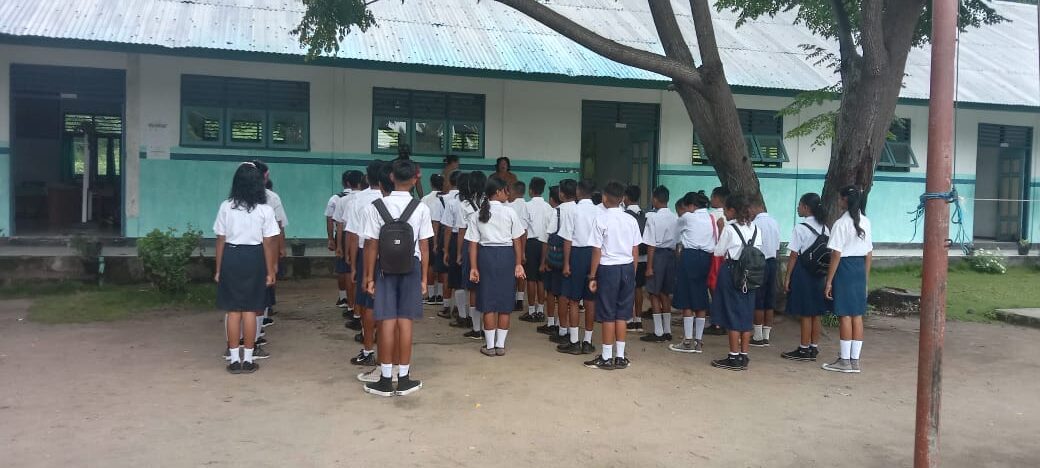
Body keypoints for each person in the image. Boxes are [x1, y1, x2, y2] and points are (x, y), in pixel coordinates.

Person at [360, 158, 432, 396]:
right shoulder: (421, 208)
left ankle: (385, 378)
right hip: (411, 268)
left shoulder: (376, 206)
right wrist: (424, 279)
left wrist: (369, 277)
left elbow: (371, 245)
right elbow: (424, 247)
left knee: (387, 321)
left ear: (391, 177)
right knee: (405, 322)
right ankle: (404, 378)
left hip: (384, 269)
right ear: (414, 179)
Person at [214, 162, 280, 374]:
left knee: (233, 311)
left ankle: (234, 360)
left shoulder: (226, 207)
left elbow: (220, 239)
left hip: (231, 256)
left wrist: (218, 269)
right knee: (251, 309)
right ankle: (249, 360)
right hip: (255, 257)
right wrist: (270, 270)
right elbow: (269, 243)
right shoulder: (265, 210)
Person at [583, 181, 642, 370]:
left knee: (608, 313)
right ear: (622, 198)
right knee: (622, 314)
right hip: (627, 268)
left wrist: (592, 276)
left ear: (604, 198)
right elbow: (635, 249)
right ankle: (620, 357)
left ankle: (607, 357)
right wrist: (632, 273)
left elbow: (596, 250)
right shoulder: (631, 220)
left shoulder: (601, 219)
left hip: (608, 269)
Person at [467, 177, 527, 356]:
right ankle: (500, 345)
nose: (508, 194)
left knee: (488, 302)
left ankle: (490, 346)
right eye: (506, 190)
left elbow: (473, 244)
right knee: (504, 302)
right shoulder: (510, 212)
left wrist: (473, 267)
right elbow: (517, 241)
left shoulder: (477, 214)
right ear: (498, 192)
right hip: (506, 257)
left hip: (486, 257)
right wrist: (518, 263)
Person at [822, 186, 873, 374]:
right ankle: (854, 360)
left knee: (844, 314)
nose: (838, 201)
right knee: (857, 315)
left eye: (840, 198)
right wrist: (865, 279)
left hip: (844, 269)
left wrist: (829, 281)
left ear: (845, 200)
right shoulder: (866, 221)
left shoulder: (841, 224)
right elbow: (869, 253)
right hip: (859, 269)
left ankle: (844, 361)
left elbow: (836, 254)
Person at [710, 194, 763, 371]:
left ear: (732, 210)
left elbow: (718, 251)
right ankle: (743, 355)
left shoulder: (730, 229)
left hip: (732, 271)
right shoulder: (756, 229)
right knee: (746, 313)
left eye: (726, 210)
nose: (724, 213)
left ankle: (733, 356)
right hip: (751, 275)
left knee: (732, 313)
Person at [345, 161, 386, 367]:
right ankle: (387, 352)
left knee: (368, 303)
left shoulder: (358, 200)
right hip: (391, 256)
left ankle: (368, 349)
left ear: (367, 178)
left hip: (366, 254)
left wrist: (353, 265)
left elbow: (353, 236)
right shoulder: (391, 199)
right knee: (387, 304)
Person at [781, 193, 829, 362]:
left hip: (803, 272)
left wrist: (788, 277)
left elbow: (794, 255)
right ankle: (813, 347)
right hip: (819, 273)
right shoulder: (825, 228)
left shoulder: (800, 228)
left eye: (800, 205)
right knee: (816, 313)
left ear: (806, 208)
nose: (798, 208)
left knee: (806, 312)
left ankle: (803, 348)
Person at [669, 191, 716, 353]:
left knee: (686, 298)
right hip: (706, 258)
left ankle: (687, 340)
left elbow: (675, 236)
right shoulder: (711, 217)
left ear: (691, 205)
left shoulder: (687, 217)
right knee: (701, 296)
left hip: (689, 256)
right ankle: (699, 341)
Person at [556, 179, 599, 355]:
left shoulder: (573, 210)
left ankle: (574, 341)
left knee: (574, 300)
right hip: (594, 255)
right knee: (590, 300)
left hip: (576, 255)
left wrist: (566, 263)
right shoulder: (599, 211)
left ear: (578, 191)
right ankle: (587, 341)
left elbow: (568, 239)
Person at [641, 185, 679, 343]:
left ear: (655, 199)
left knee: (653, 293)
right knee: (665, 293)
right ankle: (667, 330)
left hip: (657, 256)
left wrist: (649, 267)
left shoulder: (653, 218)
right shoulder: (675, 217)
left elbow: (651, 244)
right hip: (671, 256)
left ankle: (658, 331)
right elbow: (678, 243)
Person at [457, 171, 488, 339]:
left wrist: (459, 253)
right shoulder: (490, 203)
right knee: (487, 286)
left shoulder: (464, 205)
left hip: (471, 246)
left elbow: (462, 232)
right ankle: (489, 328)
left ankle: (477, 329)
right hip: (488, 246)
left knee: (473, 287)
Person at [548, 180, 577, 346]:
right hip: (577, 255)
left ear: (561, 194)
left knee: (561, 295)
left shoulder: (558, 211)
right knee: (573, 297)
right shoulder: (579, 209)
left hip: (560, 258)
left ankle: (562, 330)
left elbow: (550, 233)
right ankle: (571, 331)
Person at [750, 200, 781, 347]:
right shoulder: (774, 222)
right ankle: (766, 335)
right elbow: (777, 247)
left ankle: (757, 336)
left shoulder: (754, 224)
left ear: (755, 207)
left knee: (758, 299)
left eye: (749, 209)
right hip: (772, 262)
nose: (748, 212)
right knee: (769, 300)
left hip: (758, 263)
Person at [522, 177, 552, 325]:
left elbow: (524, 230)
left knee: (531, 279)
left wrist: (522, 251)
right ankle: (541, 310)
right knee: (541, 279)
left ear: (530, 190)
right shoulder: (548, 207)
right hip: (545, 243)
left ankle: (531, 311)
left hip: (531, 244)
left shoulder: (527, 206)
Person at [705, 186, 730, 336]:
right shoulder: (733, 217)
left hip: (715, 254)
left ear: (717, 198)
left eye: (712, 197)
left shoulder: (712, 216)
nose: (710, 199)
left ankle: (718, 321)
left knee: (713, 287)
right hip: (729, 257)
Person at [537, 186, 563, 336]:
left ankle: (551, 322)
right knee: (563, 293)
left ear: (552, 199)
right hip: (568, 257)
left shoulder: (551, 213)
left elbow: (545, 240)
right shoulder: (572, 211)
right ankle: (561, 324)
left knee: (551, 291)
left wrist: (543, 262)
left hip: (553, 257)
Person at [438, 171, 463, 319]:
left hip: (452, 238)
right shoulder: (474, 200)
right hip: (468, 238)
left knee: (448, 273)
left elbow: (447, 228)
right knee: (462, 276)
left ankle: (447, 306)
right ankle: (460, 309)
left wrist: (445, 249)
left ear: (451, 182)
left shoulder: (446, 199)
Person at [622, 184, 647, 332]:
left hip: (629, 257)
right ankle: (638, 319)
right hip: (643, 257)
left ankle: (629, 319)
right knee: (638, 288)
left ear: (626, 197)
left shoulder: (625, 215)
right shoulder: (644, 214)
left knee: (628, 288)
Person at [421, 173, 446, 306]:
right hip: (442, 234)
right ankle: (440, 295)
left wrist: (434, 242)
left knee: (430, 264)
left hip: (428, 233)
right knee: (441, 266)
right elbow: (438, 223)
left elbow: (433, 222)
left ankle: (431, 295)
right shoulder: (445, 198)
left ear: (431, 184)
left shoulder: (425, 199)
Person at [508, 180, 530, 314]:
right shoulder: (527, 206)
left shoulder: (510, 206)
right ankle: (520, 299)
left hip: (512, 243)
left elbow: (521, 231)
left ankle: (511, 299)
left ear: (514, 191)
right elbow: (525, 231)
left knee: (512, 272)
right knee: (521, 272)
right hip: (525, 243)